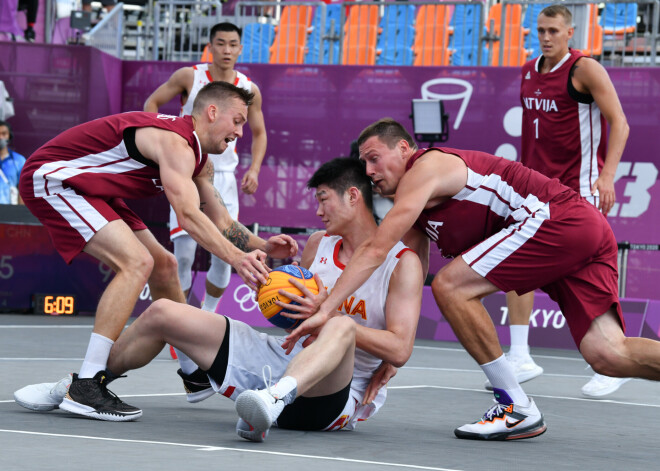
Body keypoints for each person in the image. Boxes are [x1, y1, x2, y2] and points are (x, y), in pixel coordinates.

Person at [286, 118, 660, 441]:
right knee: (608, 355)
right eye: (363, 162)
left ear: (403, 148)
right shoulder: (417, 213)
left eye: (373, 158)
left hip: (558, 219)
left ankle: (514, 405)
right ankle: (518, 404)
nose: (367, 171)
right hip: (577, 233)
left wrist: (325, 307)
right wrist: (395, 354)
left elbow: (374, 251)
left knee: (451, 285)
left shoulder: (425, 168)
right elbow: (408, 275)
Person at [12, 81, 297, 421]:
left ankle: (192, 372)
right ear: (211, 111)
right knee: (137, 262)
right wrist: (237, 259)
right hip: (55, 177)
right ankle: (86, 384)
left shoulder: (200, 158)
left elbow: (220, 220)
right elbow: (189, 217)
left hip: (95, 190)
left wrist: (262, 245)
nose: (240, 132)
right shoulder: (175, 142)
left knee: (165, 265)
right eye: (237, 121)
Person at [103, 156, 423, 439]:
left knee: (342, 328)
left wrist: (330, 316)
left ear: (353, 196)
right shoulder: (317, 244)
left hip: (334, 392)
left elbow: (400, 348)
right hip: (282, 363)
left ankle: (272, 401)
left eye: (324, 200)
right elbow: (294, 326)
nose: (318, 210)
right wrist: (273, 291)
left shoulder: (401, 263)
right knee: (163, 312)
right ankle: (85, 382)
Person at [500, 4, 631, 398]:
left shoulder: (584, 69)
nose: (545, 36)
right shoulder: (527, 70)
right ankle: (520, 355)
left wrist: (607, 176)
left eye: (553, 30)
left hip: (581, 189)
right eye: (540, 30)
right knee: (513, 260)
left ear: (570, 32)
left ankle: (615, 360)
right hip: (536, 190)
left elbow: (620, 122)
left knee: (590, 274)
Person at [144, 22, 266, 319]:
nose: (226, 50)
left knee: (224, 257)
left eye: (232, 44)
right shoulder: (190, 76)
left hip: (223, 178)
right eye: (220, 43)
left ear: (240, 48)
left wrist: (255, 170)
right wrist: (161, 144)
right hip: (188, 173)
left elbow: (260, 133)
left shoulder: (248, 89)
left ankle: (207, 316)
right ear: (211, 46)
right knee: (183, 256)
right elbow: (152, 102)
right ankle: (181, 319)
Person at [0, 120, 25, 205]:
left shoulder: (19, 160)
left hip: (10, 213)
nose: (0, 137)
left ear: (9, 136)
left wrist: (20, 214)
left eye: (4, 134)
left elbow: (22, 190)